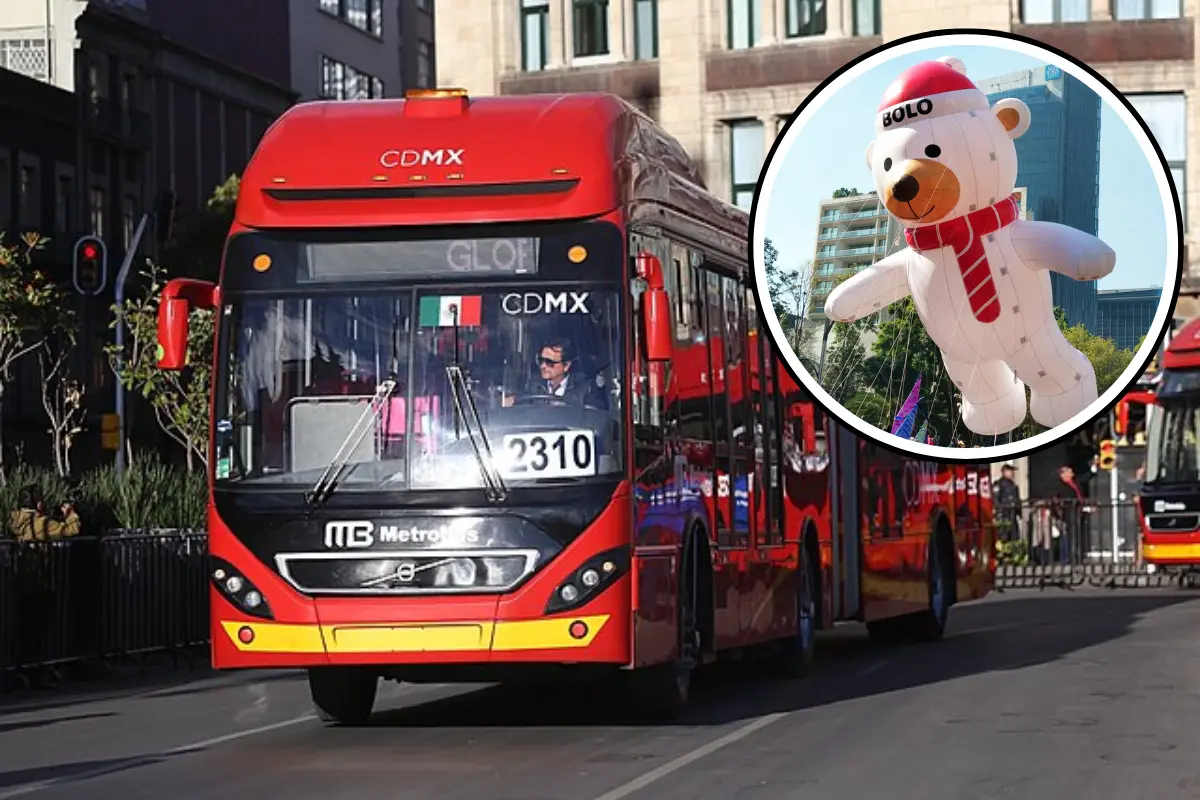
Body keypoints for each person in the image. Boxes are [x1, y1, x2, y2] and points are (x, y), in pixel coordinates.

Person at [502, 336, 606, 408]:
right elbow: (523, 405)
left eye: (549, 362)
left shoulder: (586, 388)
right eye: (541, 360)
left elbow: (594, 417)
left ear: (566, 365)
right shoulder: (533, 385)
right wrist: (513, 401)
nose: (543, 366)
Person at [8, 484, 81, 541]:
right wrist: (70, 513)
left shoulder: (13, 519)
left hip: (18, 558)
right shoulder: (44, 523)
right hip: (38, 558)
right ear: (39, 504)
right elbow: (72, 530)